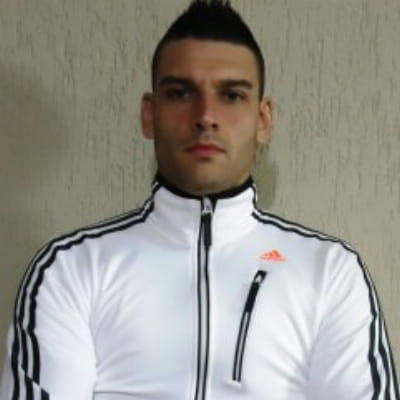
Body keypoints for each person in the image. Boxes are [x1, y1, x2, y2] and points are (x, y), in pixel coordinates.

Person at [1, 0, 399, 399]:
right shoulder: (70, 269)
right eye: (180, 93)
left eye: (231, 96)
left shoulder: (329, 271)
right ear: (149, 114)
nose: (206, 115)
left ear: (263, 120)